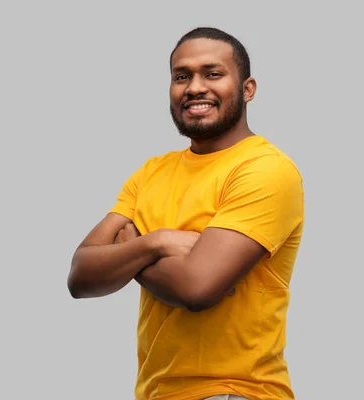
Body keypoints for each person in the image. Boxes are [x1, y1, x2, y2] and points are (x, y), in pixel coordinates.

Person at [67, 27, 305, 400]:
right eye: (182, 76)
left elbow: (197, 288)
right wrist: (157, 243)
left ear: (247, 89)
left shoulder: (264, 169)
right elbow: (81, 276)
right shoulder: (151, 173)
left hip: (233, 390)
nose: (194, 87)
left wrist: (129, 251)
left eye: (213, 73)